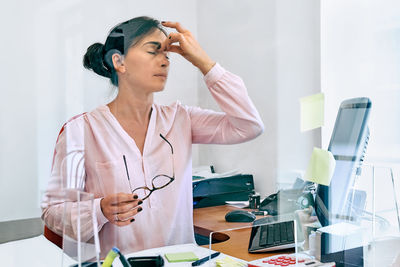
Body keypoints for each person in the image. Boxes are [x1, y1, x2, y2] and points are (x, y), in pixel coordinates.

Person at [41, 16, 264, 257]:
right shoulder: (81, 130)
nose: (165, 62)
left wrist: (203, 62)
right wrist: (99, 210)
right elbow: (53, 212)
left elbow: (249, 126)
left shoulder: (181, 119)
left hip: (179, 262)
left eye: (167, 55)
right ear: (119, 62)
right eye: (153, 52)